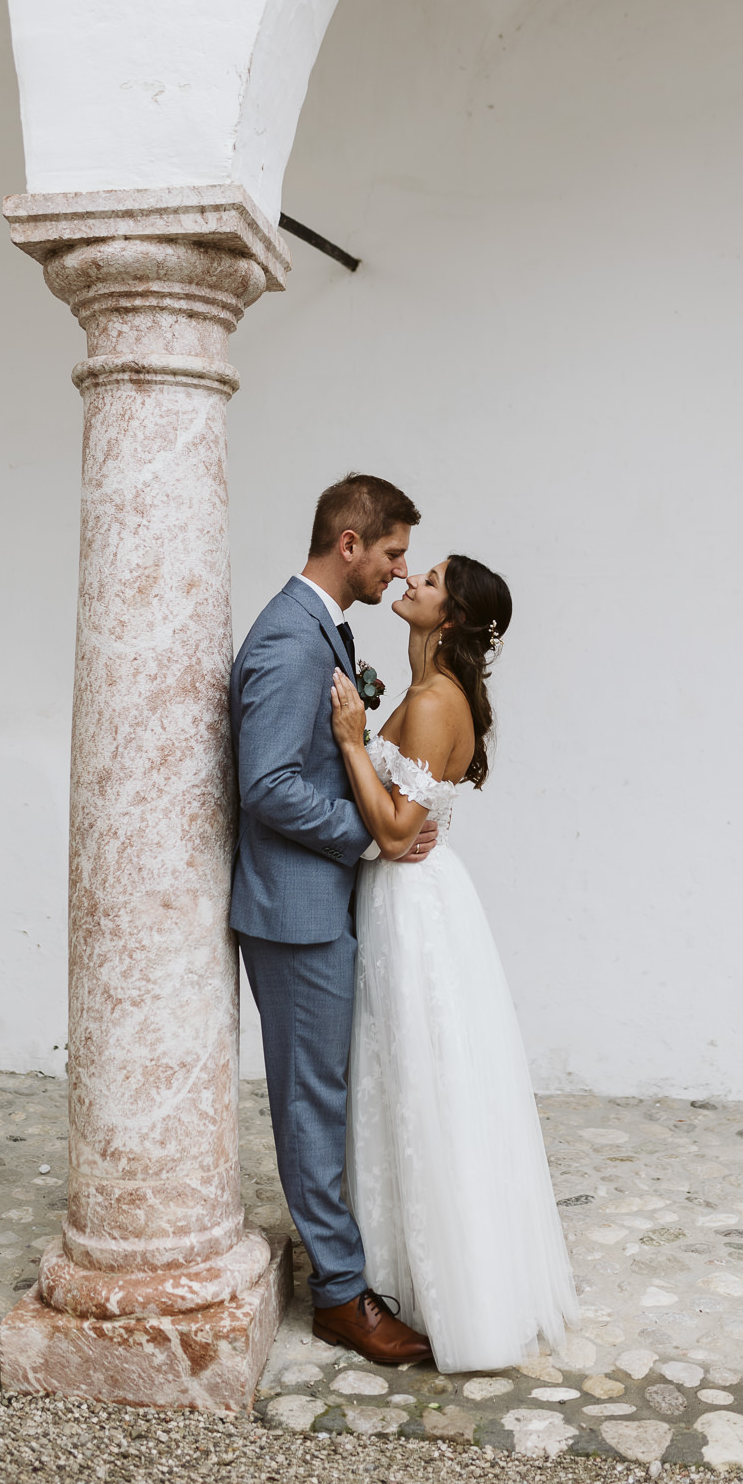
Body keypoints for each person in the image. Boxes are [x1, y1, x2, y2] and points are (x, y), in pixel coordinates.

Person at [329, 554, 579, 1373]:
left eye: (430, 581)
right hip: (403, 896)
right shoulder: (425, 691)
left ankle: (444, 1284)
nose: (410, 581)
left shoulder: (437, 701)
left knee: (422, 1076)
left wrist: (350, 741)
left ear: (453, 618)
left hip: (414, 907)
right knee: (403, 1076)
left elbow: (397, 832)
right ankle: (397, 1260)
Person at [230, 474, 439, 1365]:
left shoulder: (323, 627)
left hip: (321, 903)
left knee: (333, 1094)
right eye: (392, 553)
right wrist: (369, 838)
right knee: (312, 1102)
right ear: (348, 544)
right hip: (296, 911)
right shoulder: (289, 638)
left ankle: (347, 1265)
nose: (398, 571)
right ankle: (340, 1296)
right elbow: (269, 784)